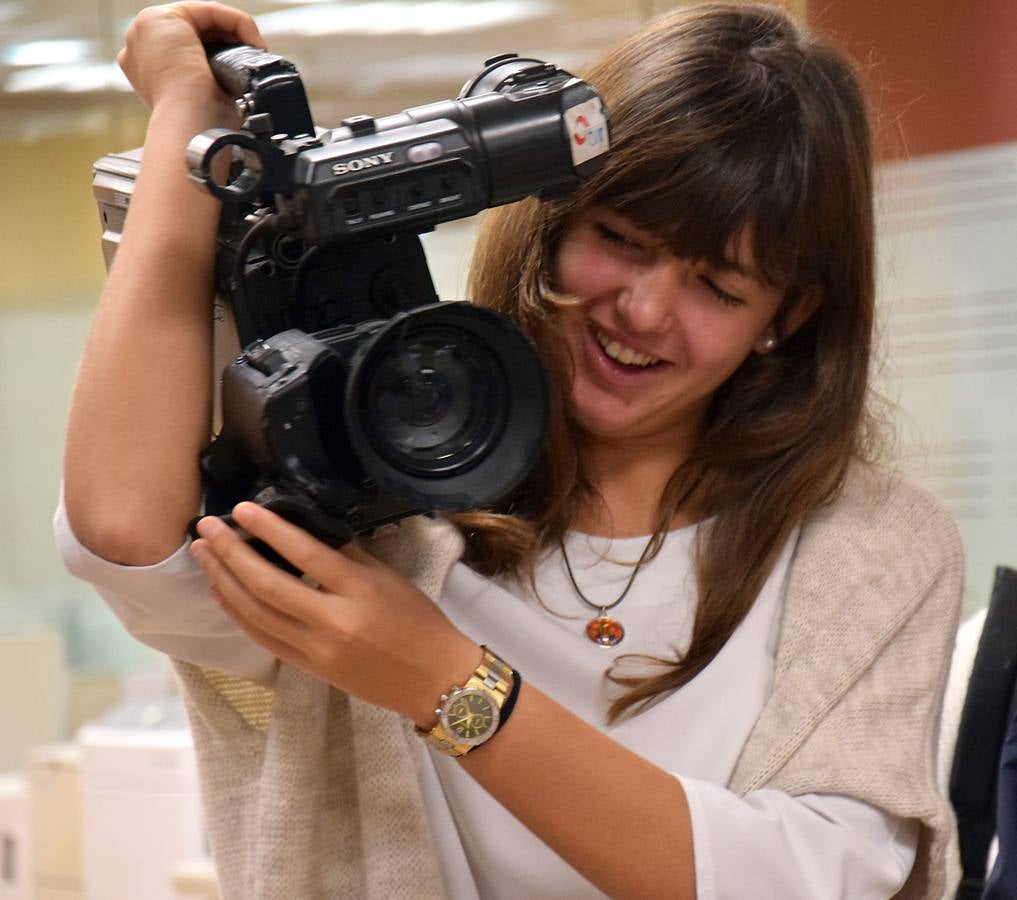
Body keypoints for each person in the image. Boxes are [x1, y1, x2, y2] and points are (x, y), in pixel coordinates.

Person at [57, 2, 964, 898]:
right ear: (552, 222)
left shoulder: (869, 547)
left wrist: (446, 682)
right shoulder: (384, 479)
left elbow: (814, 881)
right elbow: (130, 541)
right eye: (617, 240)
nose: (642, 312)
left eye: (716, 287)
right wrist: (190, 122)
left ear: (787, 316)